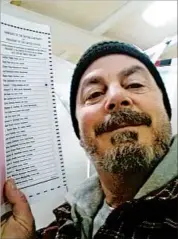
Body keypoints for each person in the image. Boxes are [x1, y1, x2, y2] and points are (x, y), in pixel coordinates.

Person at [1, 41, 177, 239]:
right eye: (94, 94)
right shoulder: (64, 224)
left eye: (135, 84)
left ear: (165, 109)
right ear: (81, 135)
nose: (116, 97)